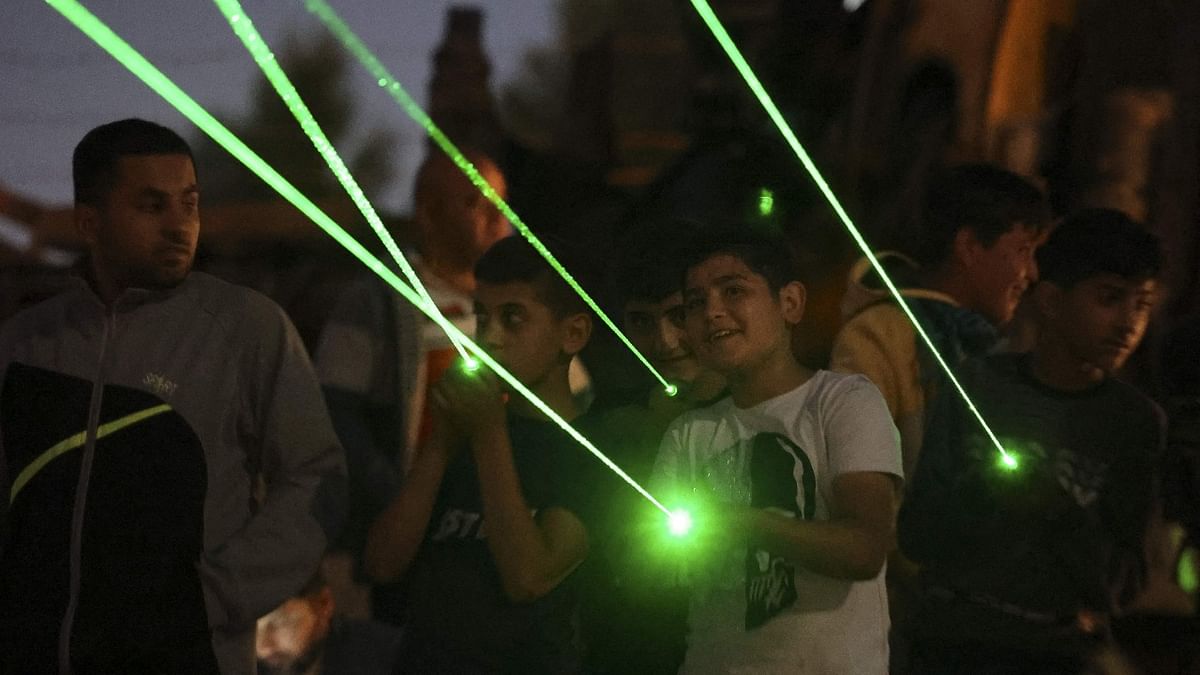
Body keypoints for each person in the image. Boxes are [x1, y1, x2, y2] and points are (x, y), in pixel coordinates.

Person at [0, 119, 346, 673]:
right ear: (90, 222)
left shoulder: (246, 330)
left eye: (189, 203)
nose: (179, 225)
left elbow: (316, 481)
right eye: (151, 206)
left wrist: (211, 596)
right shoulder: (26, 345)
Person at [898, 209, 1166, 673]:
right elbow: (917, 535)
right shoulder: (978, 386)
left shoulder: (1134, 423)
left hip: (1055, 652)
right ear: (1050, 302)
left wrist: (1057, 510)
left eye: (1142, 304)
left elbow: (1124, 584)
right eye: (1109, 298)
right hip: (949, 641)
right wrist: (979, 495)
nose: (1128, 323)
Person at [650, 228, 903, 674]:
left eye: (733, 291)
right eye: (694, 303)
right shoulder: (688, 433)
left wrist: (741, 523)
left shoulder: (842, 401)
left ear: (790, 303)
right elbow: (658, 576)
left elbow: (864, 549)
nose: (712, 312)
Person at [363, 235, 600, 672]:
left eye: (513, 318)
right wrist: (440, 441)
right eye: (482, 316)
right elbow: (382, 562)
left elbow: (528, 578)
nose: (488, 338)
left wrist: (490, 430)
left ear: (572, 333)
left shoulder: (594, 453)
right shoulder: (463, 433)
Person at [313, 149, 510, 621]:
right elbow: (334, 411)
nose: (496, 216)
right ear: (428, 211)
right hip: (403, 542)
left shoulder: (517, 303)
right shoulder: (377, 298)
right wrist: (397, 494)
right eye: (474, 203)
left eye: (501, 203)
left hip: (497, 538)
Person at [831, 163, 1048, 480]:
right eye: (1023, 250)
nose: (1032, 274)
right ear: (970, 246)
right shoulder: (880, 334)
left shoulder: (992, 347)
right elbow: (860, 476)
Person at [580, 222, 725, 674]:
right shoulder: (610, 425)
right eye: (642, 322)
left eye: (678, 316)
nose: (663, 342)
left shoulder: (766, 406)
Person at [256, 569, 403, 675]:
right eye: (252, 631)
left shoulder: (387, 655)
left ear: (323, 603)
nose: (262, 647)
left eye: (277, 623)